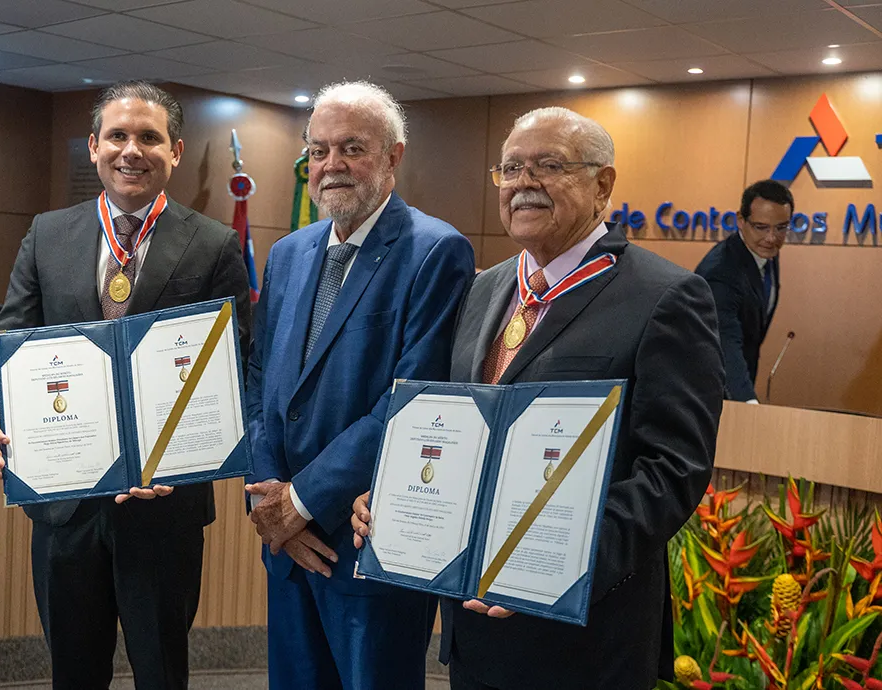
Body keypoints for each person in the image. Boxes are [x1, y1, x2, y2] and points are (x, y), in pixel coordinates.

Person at [352, 106, 725, 689]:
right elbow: (459, 433)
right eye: (510, 169)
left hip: (585, 639)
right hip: (475, 630)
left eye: (548, 165)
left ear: (603, 184)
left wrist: (554, 569)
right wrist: (395, 497)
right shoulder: (482, 289)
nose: (523, 183)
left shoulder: (667, 297)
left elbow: (673, 469)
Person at [0, 81, 251, 690]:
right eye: (118, 136)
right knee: (73, 673)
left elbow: (239, 363)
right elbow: (8, 345)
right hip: (64, 506)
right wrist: (4, 421)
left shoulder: (212, 245)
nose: (133, 150)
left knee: (161, 672)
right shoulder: (47, 234)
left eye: (150, 137)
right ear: (94, 146)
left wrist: (187, 462)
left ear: (176, 151)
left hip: (165, 510)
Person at [244, 81, 474, 690]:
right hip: (288, 543)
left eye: (352, 147)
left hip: (369, 538)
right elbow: (262, 384)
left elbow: (410, 404)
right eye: (317, 151)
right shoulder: (289, 253)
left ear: (394, 156)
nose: (331, 165)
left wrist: (299, 504)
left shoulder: (435, 250)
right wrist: (270, 503)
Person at [696, 179, 791, 402]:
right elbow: (725, 344)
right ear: (741, 220)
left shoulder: (764, 251)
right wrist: (747, 403)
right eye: (761, 227)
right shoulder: (721, 273)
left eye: (780, 228)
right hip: (708, 393)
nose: (771, 238)